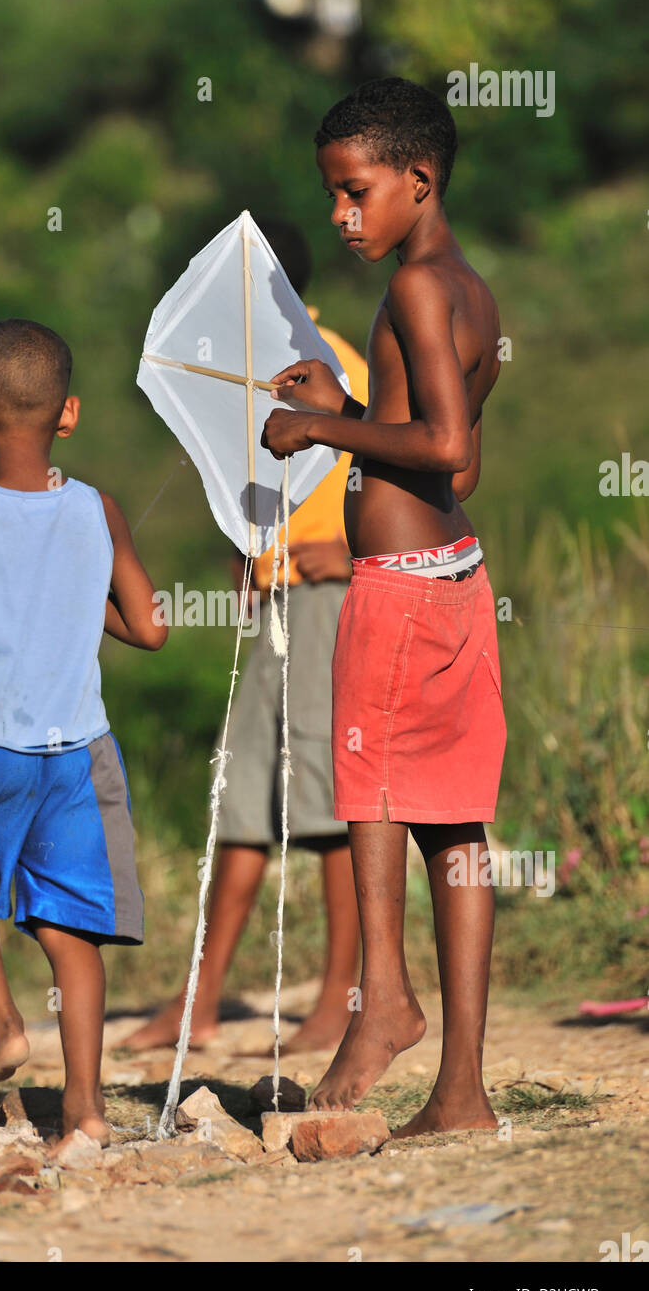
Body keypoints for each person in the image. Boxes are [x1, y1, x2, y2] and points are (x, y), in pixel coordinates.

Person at [262, 78, 506, 1136]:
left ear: (418, 179)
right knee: (454, 823)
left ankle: (384, 1002)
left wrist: (321, 437)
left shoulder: (414, 288)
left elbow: (445, 451)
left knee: (368, 794)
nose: (340, 216)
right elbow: (454, 458)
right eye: (331, 197)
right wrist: (351, 410)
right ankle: (462, 1092)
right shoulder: (467, 286)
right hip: (455, 575)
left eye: (354, 193)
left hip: (397, 596)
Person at [0, 319, 165, 1156]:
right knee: (71, 932)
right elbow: (152, 628)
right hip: (81, 751)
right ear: (70, 414)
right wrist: (87, 610)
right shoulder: (98, 508)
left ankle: (5, 1023)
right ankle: (85, 1112)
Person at [123, 221, 367, 1056]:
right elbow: (250, 490)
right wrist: (243, 560)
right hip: (275, 608)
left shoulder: (332, 365)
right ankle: (199, 997)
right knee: (242, 795)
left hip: (332, 600)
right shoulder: (247, 377)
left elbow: (386, 467)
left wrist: (349, 553)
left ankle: (341, 997)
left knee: (328, 803)